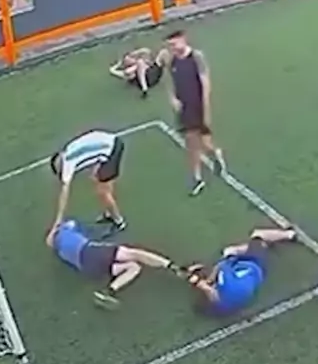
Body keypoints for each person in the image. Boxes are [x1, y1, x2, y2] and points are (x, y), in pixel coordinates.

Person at [49, 219, 181, 309]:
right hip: (90, 251)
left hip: (87, 268)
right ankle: (170, 265)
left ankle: (108, 291)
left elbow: (51, 241)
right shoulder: (68, 227)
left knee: (134, 267)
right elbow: (73, 224)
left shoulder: (59, 251)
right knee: (133, 253)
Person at [165, 29, 226, 197]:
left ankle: (216, 153)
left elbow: (206, 85)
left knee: (205, 143)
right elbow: (170, 82)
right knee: (191, 145)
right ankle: (197, 178)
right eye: (170, 45)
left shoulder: (197, 57)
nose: (172, 48)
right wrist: (172, 99)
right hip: (184, 109)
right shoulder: (172, 61)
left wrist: (206, 110)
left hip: (198, 107)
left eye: (174, 44)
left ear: (183, 40)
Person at [182, 227, 296, 316]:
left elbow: (210, 287)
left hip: (250, 274)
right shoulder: (223, 280)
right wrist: (196, 280)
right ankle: (289, 234)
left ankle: (261, 246)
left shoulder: (225, 303)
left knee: (230, 252)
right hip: (254, 265)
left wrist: (207, 279)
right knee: (256, 235)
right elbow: (209, 286)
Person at [46, 130, 126, 246]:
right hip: (111, 143)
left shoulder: (68, 163)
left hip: (111, 151)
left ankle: (119, 222)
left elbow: (64, 193)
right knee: (98, 179)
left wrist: (57, 222)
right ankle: (109, 213)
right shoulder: (69, 149)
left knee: (102, 192)